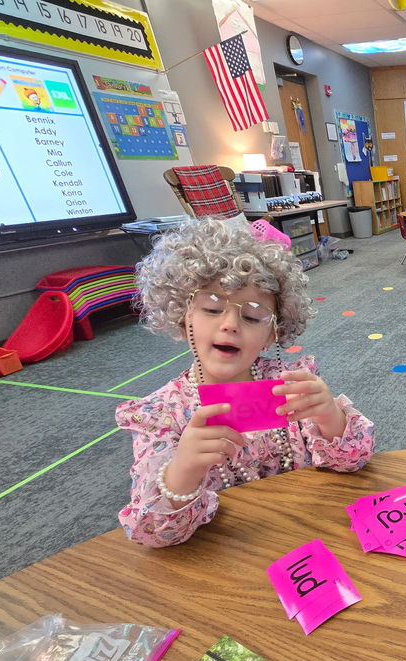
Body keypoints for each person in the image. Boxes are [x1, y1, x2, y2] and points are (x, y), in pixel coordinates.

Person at [115, 218, 375, 547]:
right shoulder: (161, 415)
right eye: (211, 308)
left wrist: (330, 417)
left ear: (272, 334)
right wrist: (183, 470)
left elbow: (354, 461)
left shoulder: (289, 386)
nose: (230, 324)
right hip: (225, 557)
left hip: (308, 538)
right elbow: (151, 534)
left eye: (252, 316)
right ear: (182, 316)